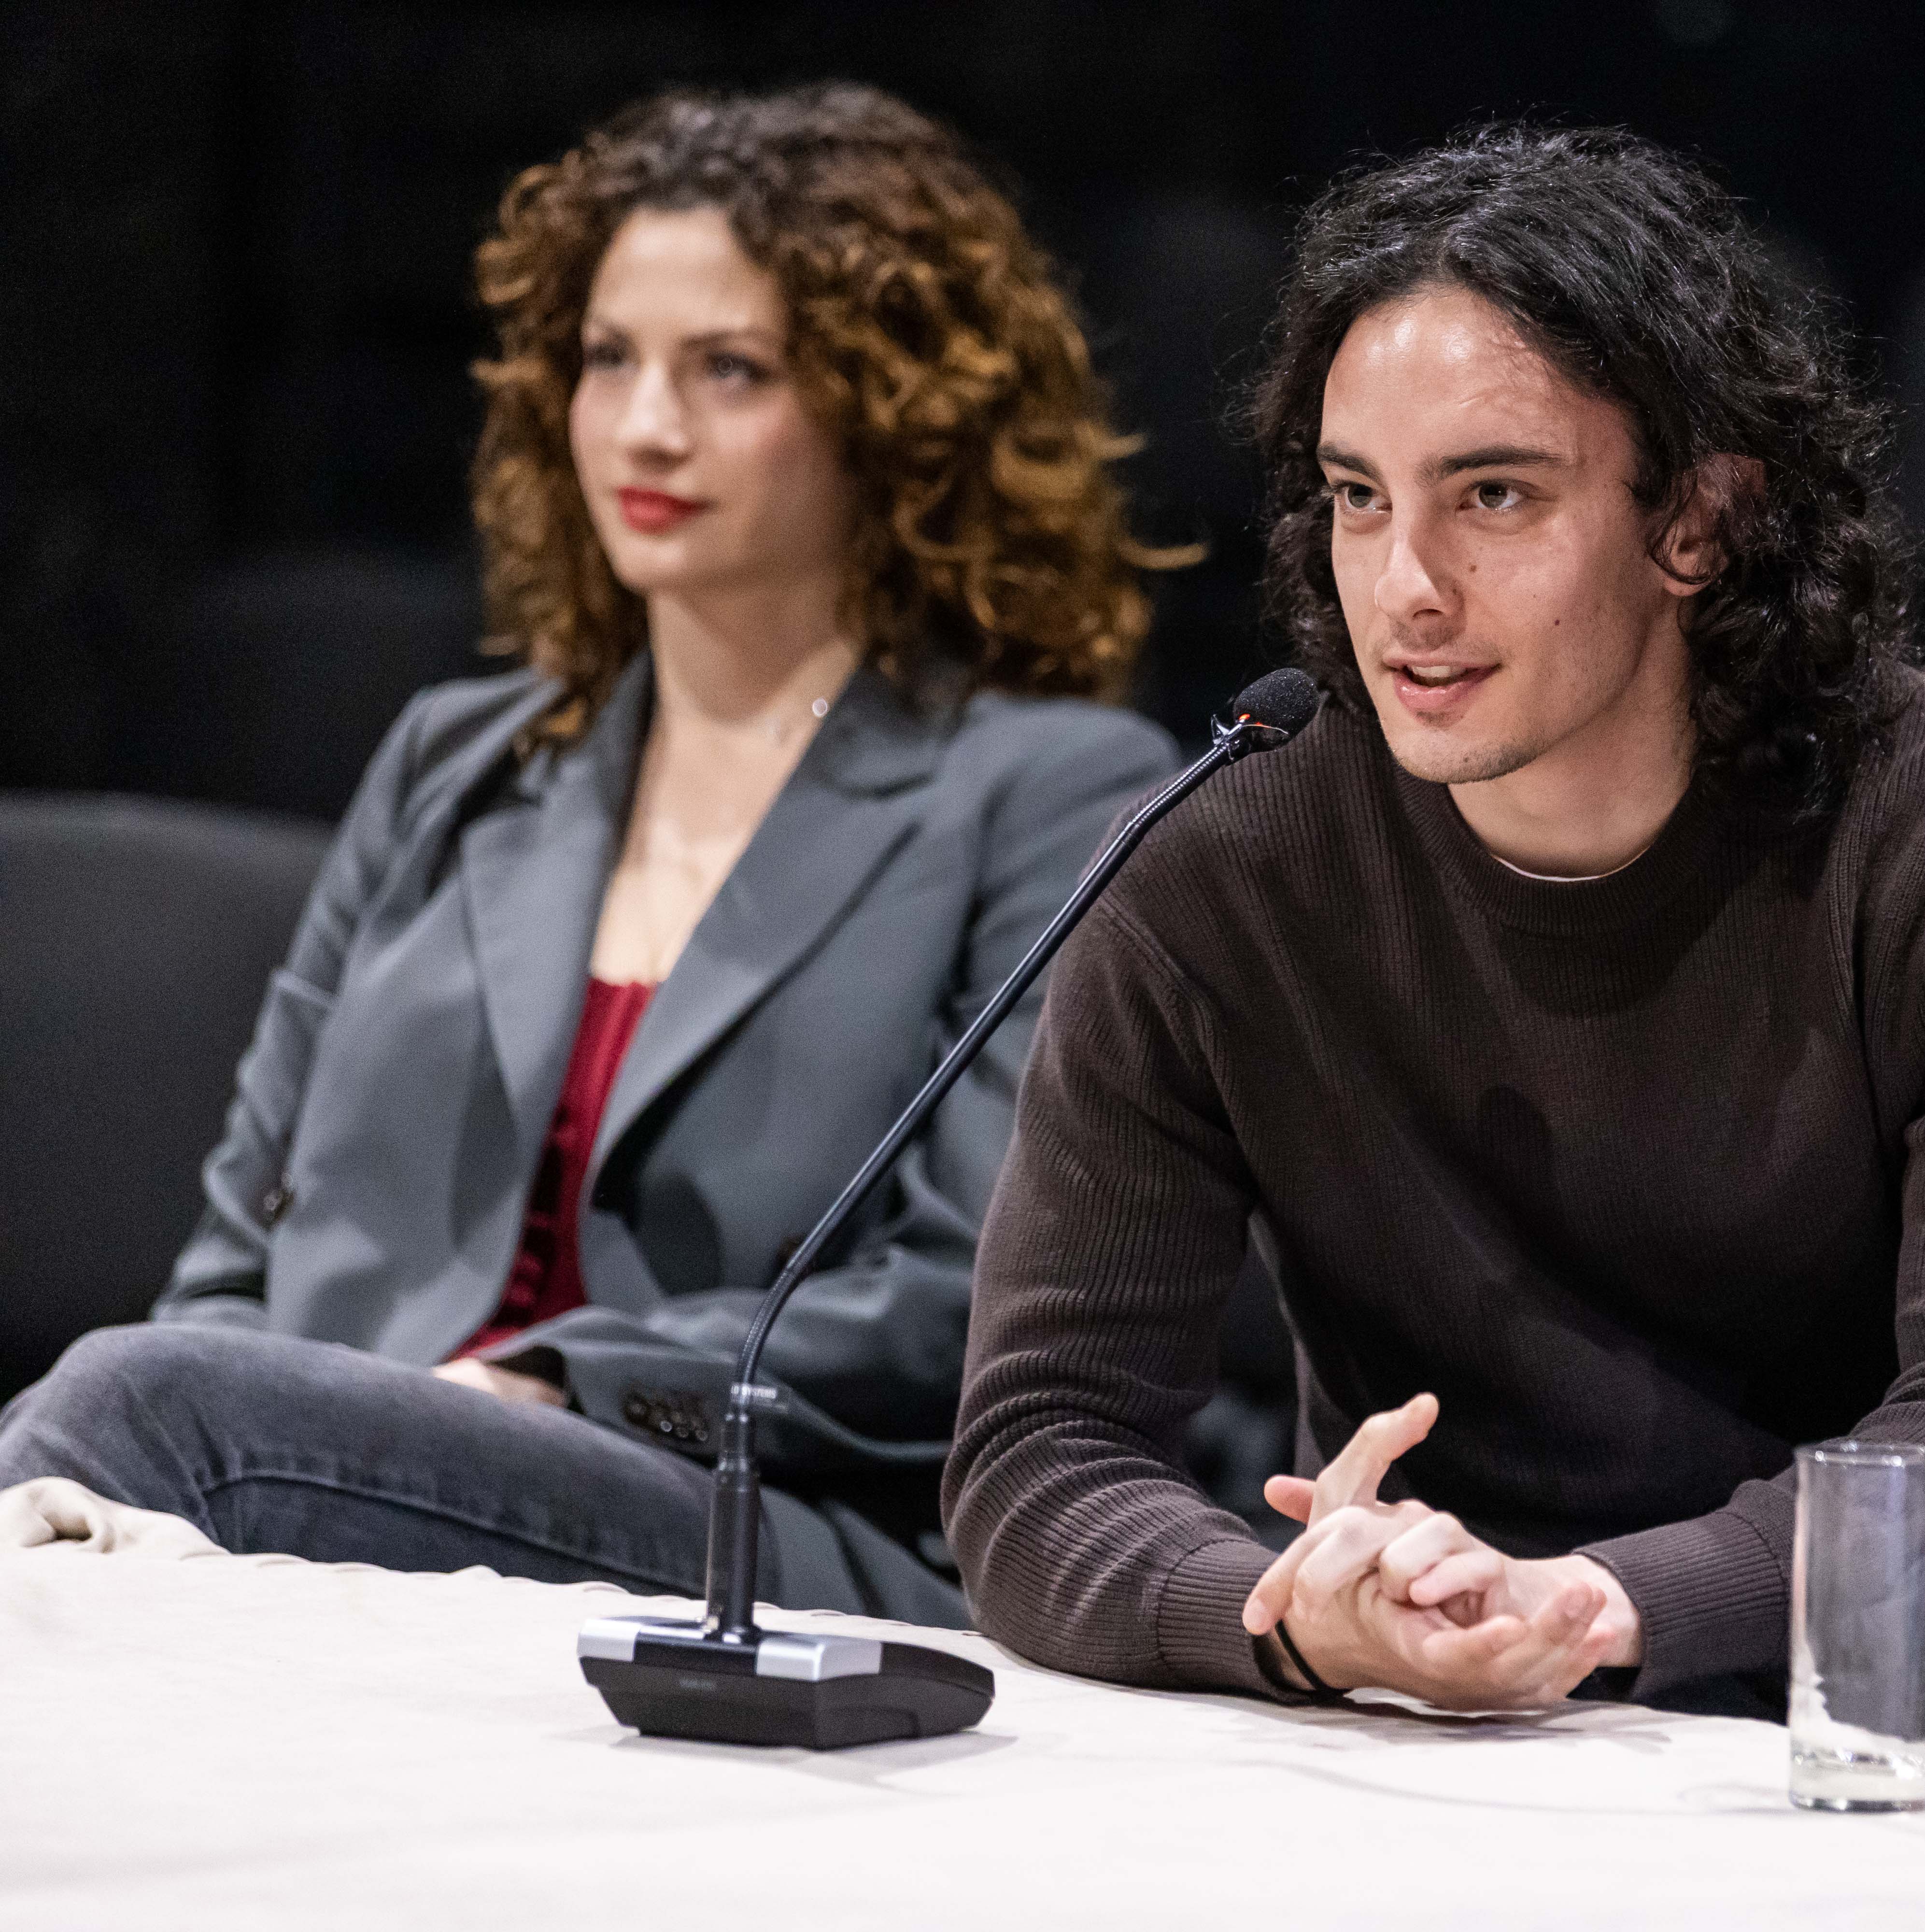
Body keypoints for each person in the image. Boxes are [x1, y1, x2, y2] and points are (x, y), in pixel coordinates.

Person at [944, 126, 1925, 1789]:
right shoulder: (1219, 858)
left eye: (1494, 497)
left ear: (1696, 519)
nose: (1405, 589)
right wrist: (1291, 1618)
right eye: (1358, 499)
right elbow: (1040, 1449)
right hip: (1445, 1663)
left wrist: (1601, 1606)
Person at [0, 85, 1180, 1623]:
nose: (647, 425)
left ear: (892, 412)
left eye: (730, 369)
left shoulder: (1052, 791)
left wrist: (554, 1383)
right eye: (610, 357)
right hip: (313, 1469)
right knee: (131, 1438)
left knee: (131, 1413)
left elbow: (975, 1299)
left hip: (757, 1519)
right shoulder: (457, 758)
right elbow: (238, 1252)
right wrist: (281, 1423)